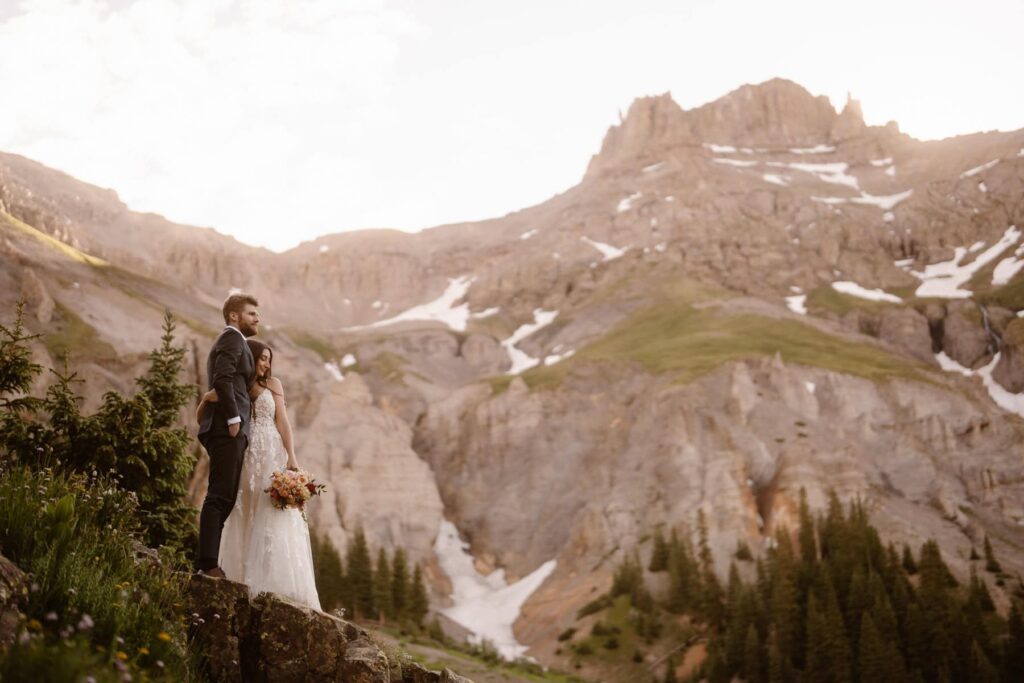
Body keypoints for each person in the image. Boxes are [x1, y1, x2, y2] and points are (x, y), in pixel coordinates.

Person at [197, 339, 321, 609]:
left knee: (270, 509)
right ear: (250, 359)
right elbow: (206, 417)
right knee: (243, 507)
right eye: (261, 358)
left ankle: (273, 582)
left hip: (271, 453)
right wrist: (207, 398)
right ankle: (241, 575)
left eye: (268, 359)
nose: (265, 363)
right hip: (245, 452)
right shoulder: (238, 385)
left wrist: (292, 458)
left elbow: (283, 422)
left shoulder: (273, 385)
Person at [196, 293, 259, 577]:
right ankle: (208, 564)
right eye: (251, 314)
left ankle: (210, 561)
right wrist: (234, 418)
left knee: (226, 497)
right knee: (219, 496)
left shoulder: (238, 342)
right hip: (226, 427)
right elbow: (222, 378)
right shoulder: (232, 339)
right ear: (234, 316)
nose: (257, 319)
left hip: (230, 429)